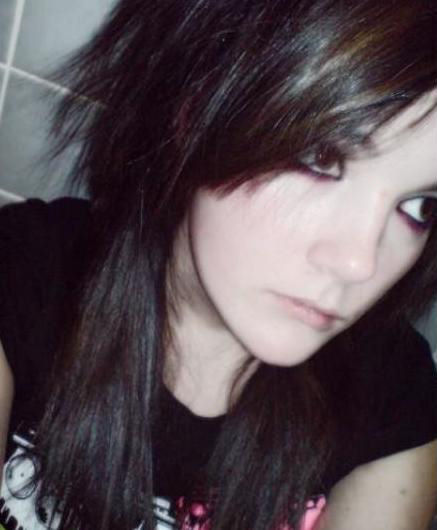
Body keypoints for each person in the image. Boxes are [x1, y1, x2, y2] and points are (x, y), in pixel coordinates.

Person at [0, 0, 437, 529]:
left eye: (419, 207)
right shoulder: (26, 270)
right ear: (193, 111)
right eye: (321, 158)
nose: (358, 264)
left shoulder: (393, 394)